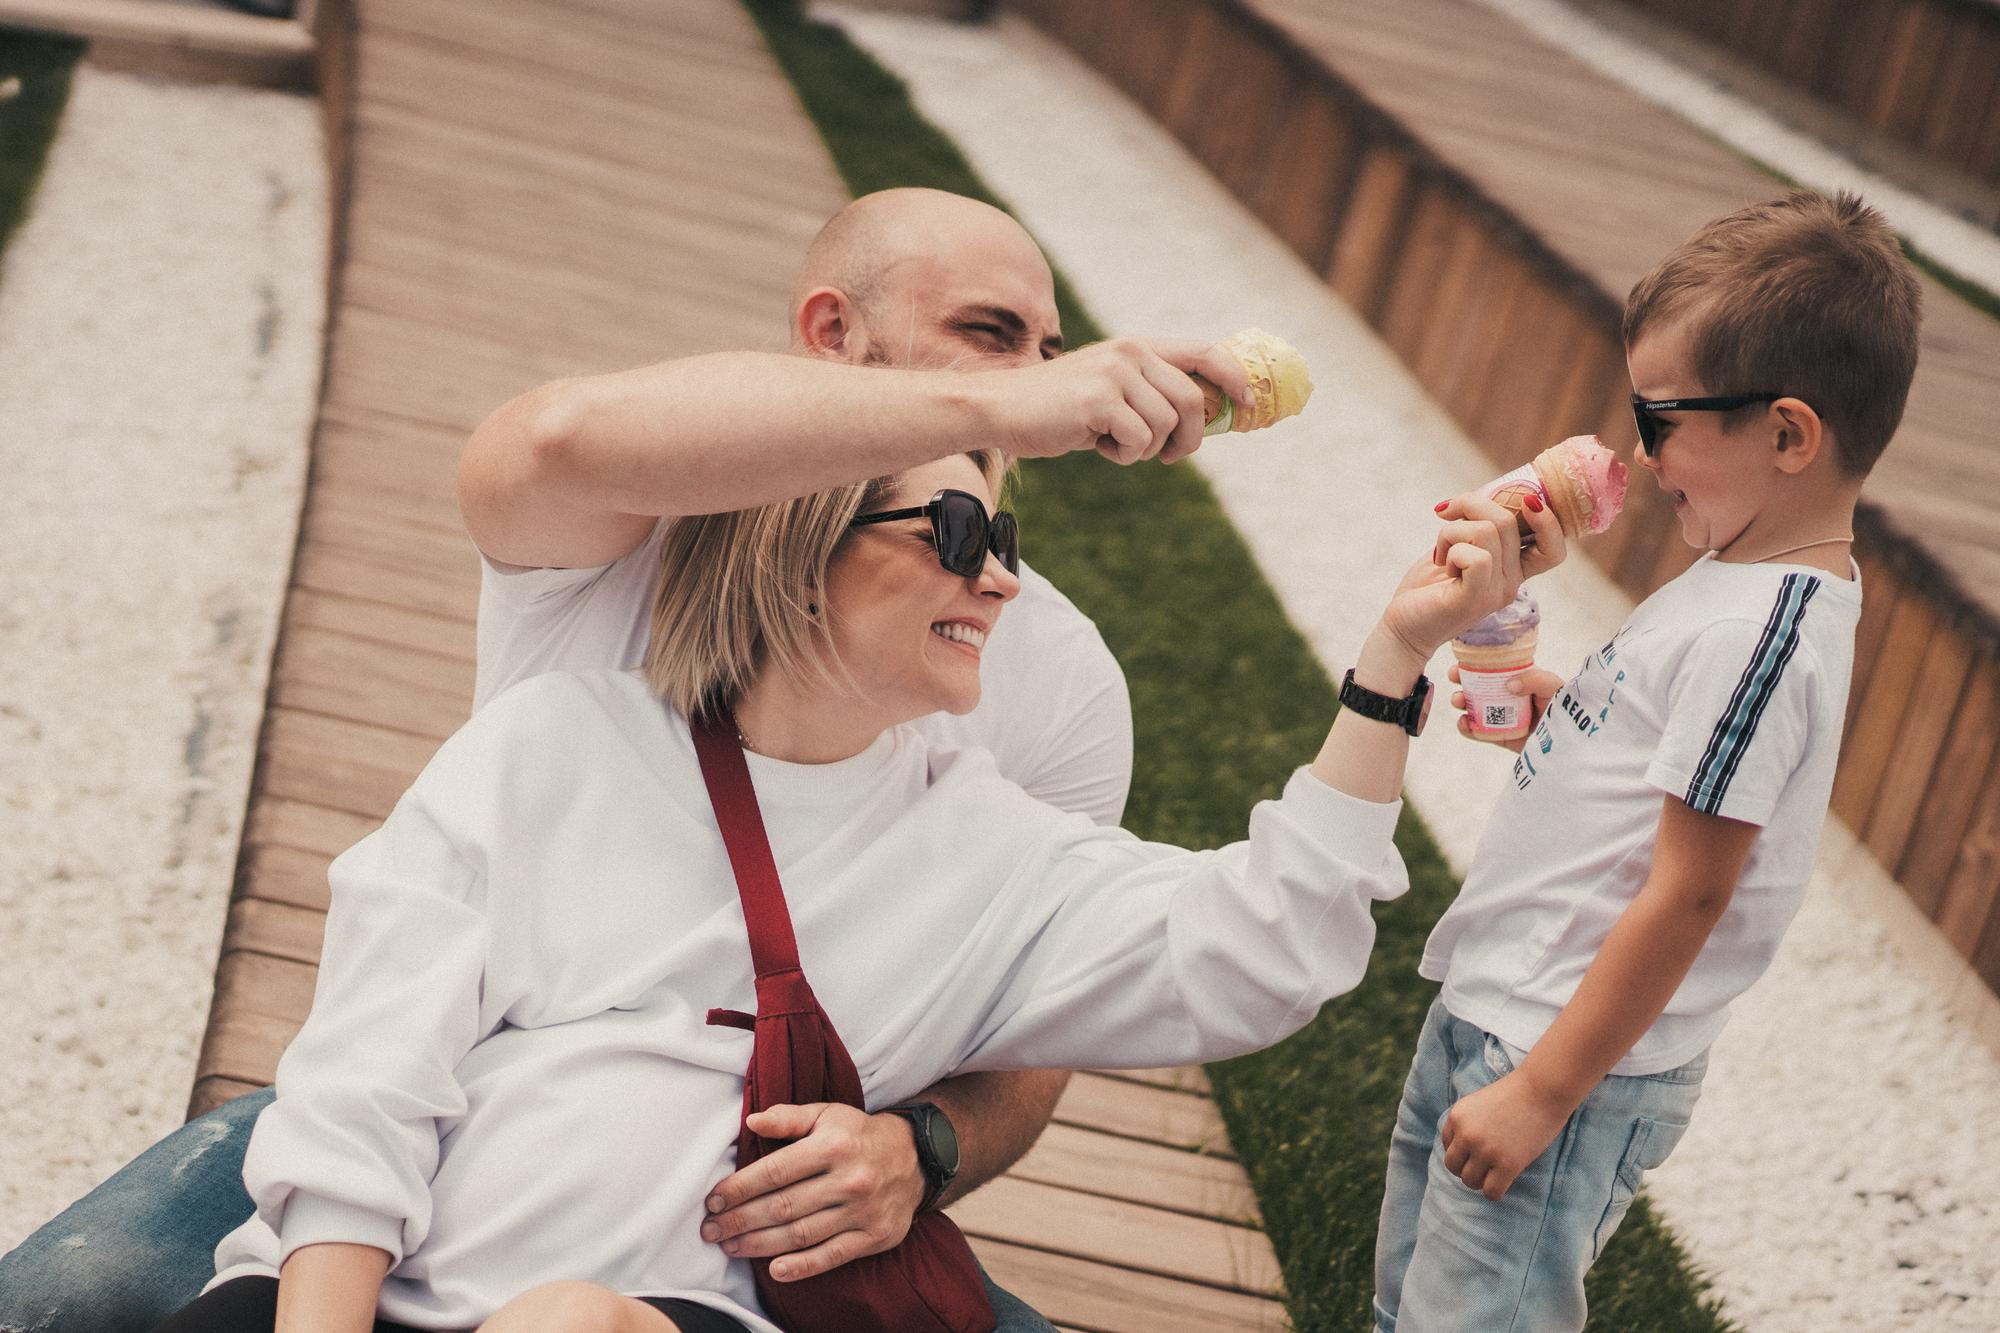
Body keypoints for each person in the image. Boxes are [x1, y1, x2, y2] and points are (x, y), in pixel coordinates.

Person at [0, 186, 1255, 1333]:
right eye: (991, 332)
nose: (1043, 376)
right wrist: (996, 407)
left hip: (739, 1220)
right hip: (460, 1108)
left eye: (1046, 348)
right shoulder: (635, 514)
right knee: (65, 1297)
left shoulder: (1061, 676)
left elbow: (1034, 1036)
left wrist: (917, 1150)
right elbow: (540, 444)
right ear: (829, 332)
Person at [149, 437, 1535, 1332]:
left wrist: (1391, 662)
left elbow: (1270, 950)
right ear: (795, 539)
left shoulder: (987, 848)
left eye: (1010, 543)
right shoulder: (554, 742)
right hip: (343, 1294)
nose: (998, 581)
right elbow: (369, 1070)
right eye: (953, 527)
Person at [1370, 189, 1923, 1333]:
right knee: (1406, 1307)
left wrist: (1539, 1093)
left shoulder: (1760, 629)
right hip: (1504, 1004)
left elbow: (1692, 889)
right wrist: (1564, 712)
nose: (1636, 448)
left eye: (1660, 418)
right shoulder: (1733, 575)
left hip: (1560, 1056)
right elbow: (1669, 764)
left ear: (1784, 433)